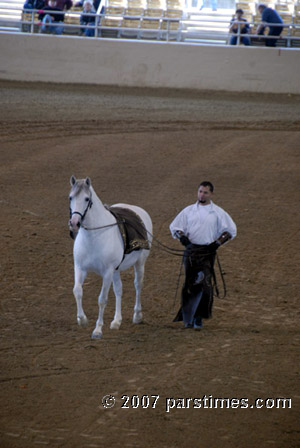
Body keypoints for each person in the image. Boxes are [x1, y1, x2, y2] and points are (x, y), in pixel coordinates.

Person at [170, 181, 237, 330]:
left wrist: (217, 243)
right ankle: (188, 318)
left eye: (205, 192)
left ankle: (198, 317)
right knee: (189, 284)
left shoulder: (218, 212)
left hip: (207, 252)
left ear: (211, 194)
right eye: (200, 191)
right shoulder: (188, 211)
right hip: (191, 252)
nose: (202, 194)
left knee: (205, 285)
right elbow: (175, 227)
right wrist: (183, 239)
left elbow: (230, 231)